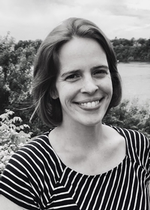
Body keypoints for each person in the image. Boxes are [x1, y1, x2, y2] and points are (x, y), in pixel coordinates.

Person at [0, 17, 150, 210]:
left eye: (99, 72)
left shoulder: (140, 149)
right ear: (52, 88)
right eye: (73, 76)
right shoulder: (28, 169)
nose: (90, 87)